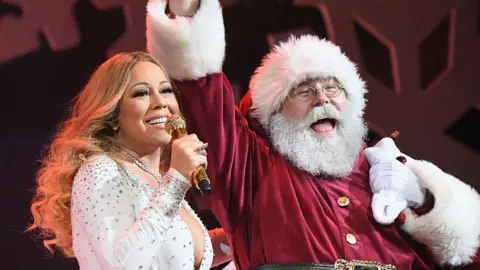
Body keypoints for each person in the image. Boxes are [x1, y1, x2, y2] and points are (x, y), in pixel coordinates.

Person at [145, 0, 480, 269]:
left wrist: (428, 202)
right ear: (273, 114)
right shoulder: (251, 171)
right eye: (302, 91)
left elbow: (466, 253)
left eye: (333, 88)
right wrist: (185, 11)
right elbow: (200, 89)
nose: (322, 98)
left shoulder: (385, 171)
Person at [28, 51, 233, 269]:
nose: (160, 102)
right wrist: (177, 180)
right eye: (141, 93)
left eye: (165, 90)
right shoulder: (101, 171)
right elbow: (122, 264)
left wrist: (251, 234)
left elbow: (178, 255)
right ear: (114, 114)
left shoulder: (159, 179)